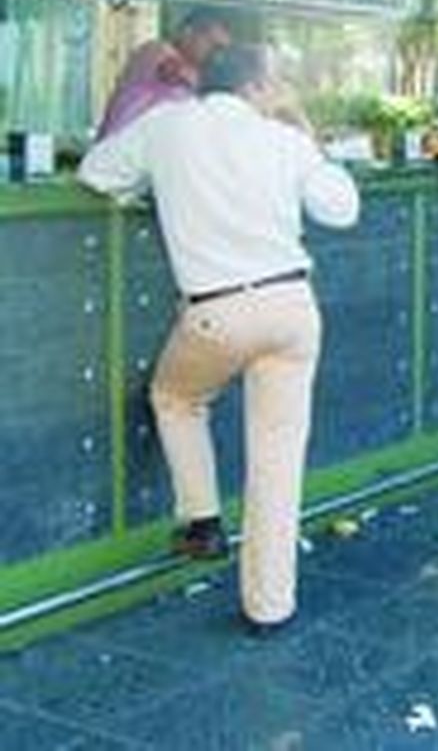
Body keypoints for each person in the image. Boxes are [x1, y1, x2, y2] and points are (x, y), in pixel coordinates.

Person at [78, 45, 359, 635]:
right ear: (258, 86)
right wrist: (304, 129)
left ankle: (201, 517)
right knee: (278, 466)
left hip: (217, 313)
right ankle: (268, 607)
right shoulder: (282, 139)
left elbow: (94, 172)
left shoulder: (165, 126)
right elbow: (342, 209)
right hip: (291, 311)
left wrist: (151, 190)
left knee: (177, 398)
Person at [96, 7, 233, 140]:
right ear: (188, 32)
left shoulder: (195, 74)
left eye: (221, 50)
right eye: (213, 45)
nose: (217, 56)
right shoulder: (156, 51)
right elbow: (175, 72)